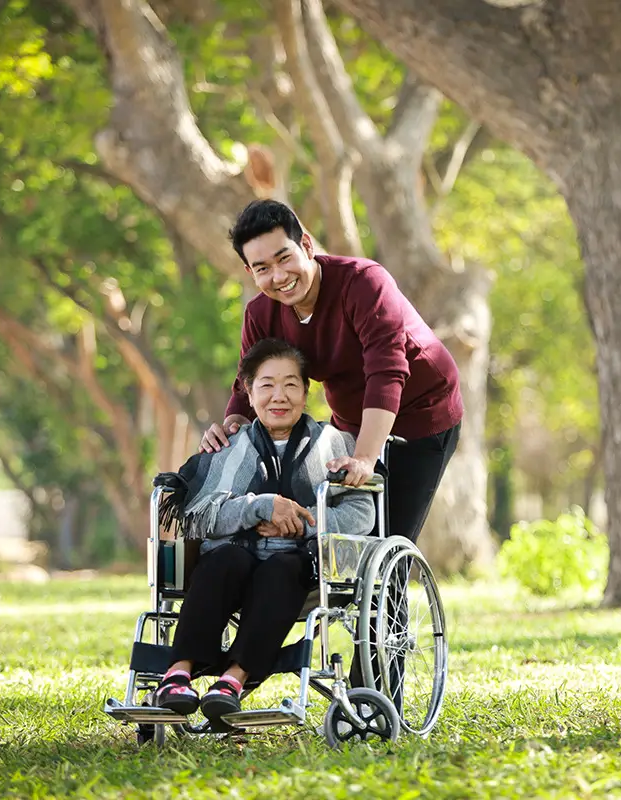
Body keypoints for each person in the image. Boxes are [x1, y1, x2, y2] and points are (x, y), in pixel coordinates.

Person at [200, 199, 463, 546]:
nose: (279, 277)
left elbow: (386, 373)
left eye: (284, 258)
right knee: (338, 538)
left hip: (422, 409)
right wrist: (231, 430)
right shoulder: (261, 314)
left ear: (306, 245)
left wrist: (365, 459)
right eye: (262, 268)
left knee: (386, 538)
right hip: (352, 418)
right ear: (251, 272)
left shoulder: (364, 283)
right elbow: (248, 385)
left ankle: (389, 601)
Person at [153, 338, 375, 723]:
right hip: (231, 565)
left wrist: (301, 521)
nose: (280, 396)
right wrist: (260, 508)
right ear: (249, 393)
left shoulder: (337, 443)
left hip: (301, 570)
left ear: (306, 392)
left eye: (291, 384)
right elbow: (203, 514)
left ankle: (232, 681)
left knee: (282, 569)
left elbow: (361, 513)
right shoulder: (227, 446)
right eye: (267, 385)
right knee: (223, 559)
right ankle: (177, 675)